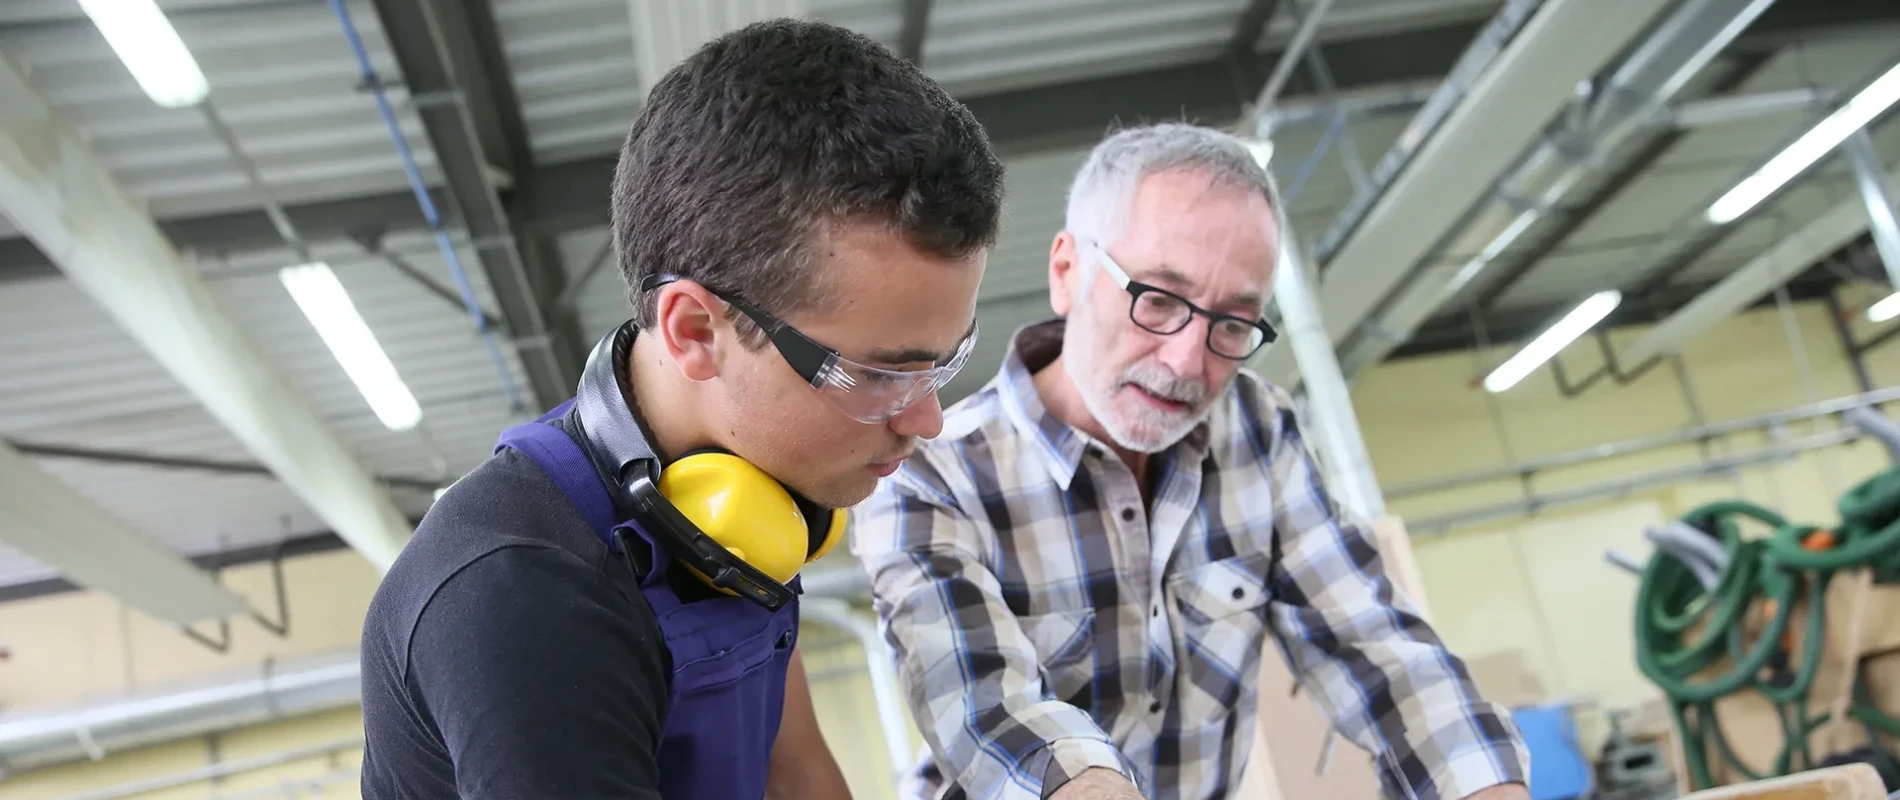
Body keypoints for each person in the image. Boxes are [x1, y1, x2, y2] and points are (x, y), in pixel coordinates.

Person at [357, 18, 1004, 800]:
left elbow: (790, 772)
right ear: (696, 331)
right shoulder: (523, 598)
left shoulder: (742, 496)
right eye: (877, 372)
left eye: (947, 359)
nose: (928, 418)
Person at [850, 122, 1530, 800]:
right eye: (1158, 300)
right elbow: (989, 712)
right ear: (1067, 272)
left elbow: (1380, 654)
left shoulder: (1257, 430)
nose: (1188, 362)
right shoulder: (929, 473)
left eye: (1232, 323)